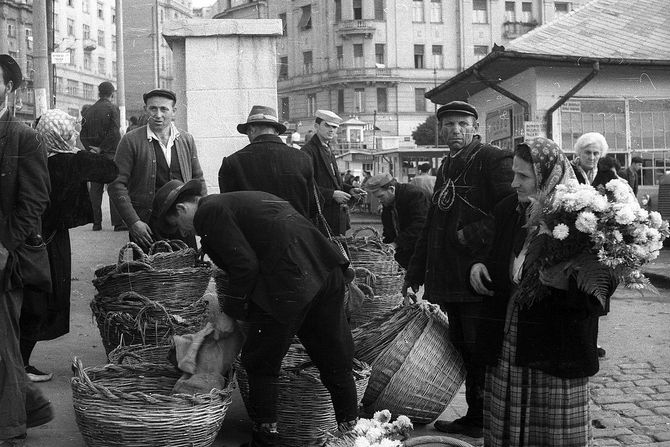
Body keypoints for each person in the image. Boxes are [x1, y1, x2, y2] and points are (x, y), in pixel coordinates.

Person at [153, 182, 359, 447]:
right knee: (334, 356)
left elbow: (245, 266)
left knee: (260, 361)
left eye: (179, 225)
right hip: (325, 271)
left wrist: (230, 313)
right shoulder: (237, 200)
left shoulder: (209, 213)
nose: (184, 231)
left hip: (291, 282)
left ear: (182, 208)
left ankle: (266, 439)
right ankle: (354, 432)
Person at [469, 137, 616, 446]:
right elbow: (493, 248)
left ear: (547, 173)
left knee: (549, 432)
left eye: (523, 176)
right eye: (513, 174)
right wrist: (479, 263)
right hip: (512, 335)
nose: (514, 183)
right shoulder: (510, 208)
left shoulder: (580, 215)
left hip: (555, 345)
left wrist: (568, 285)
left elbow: (604, 282)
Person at [403, 101, 514, 438]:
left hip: (475, 276)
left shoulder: (491, 160)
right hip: (449, 277)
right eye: (448, 124)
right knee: (465, 346)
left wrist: (471, 238)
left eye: (462, 124)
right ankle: (477, 414)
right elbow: (431, 226)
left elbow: (511, 211)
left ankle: (484, 417)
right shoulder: (447, 167)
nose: (455, 131)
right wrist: (414, 275)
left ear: (474, 126)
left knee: (480, 347)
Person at [19, 109, 118, 383]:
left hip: (28, 234)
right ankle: (20, 364)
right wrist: (79, 149)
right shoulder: (72, 160)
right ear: (64, 134)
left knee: (30, 297)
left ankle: (19, 361)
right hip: (51, 239)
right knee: (43, 297)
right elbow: (111, 170)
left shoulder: (31, 156)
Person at [0, 53, 54, 446]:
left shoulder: (22, 137)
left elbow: (35, 201)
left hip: (5, 257)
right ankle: (30, 405)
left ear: (9, 89)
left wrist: (5, 247)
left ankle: (11, 427)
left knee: (2, 343)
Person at [108, 88, 206, 251]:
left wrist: (202, 215)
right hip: (147, 226)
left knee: (187, 272)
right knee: (150, 275)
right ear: (146, 109)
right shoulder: (130, 140)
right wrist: (133, 222)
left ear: (173, 111)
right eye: (153, 108)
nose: (158, 114)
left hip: (183, 223)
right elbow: (116, 184)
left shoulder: (186, 140)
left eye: (164, 109)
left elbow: (198, 179)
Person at [218, 105, 317, 219]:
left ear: (251, 130)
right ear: (276, 132)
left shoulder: (232, 163)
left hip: (252, 235)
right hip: (296, 233)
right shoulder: (303, 158)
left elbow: (228, 210)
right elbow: (313, 206)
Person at [301, 110, 366, 236]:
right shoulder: (308, 151)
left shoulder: (327, 148)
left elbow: (334, 182)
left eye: (334, 127)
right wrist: (331, 195)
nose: (331, 130)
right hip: (320, 218)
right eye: (327, 125)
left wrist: (350, 190)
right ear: (316, 126)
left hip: (335, 217)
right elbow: (305, 185)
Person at [80, 81, 124, 232]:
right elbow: (114, 132)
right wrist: (102, 148)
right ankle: (118, 223)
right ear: (112, 93)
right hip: (109, 154)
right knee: (114, 186)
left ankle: (96, 223)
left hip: (93, 155)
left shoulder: (89, 110)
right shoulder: (113, 108)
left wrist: (91, 149)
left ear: (99, 92)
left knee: (95, 190)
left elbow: (82, 133)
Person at [364, 173, 429, 269]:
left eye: (381, 196)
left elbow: (420, 225)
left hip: (423, 249)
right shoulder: (389, 202)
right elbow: (389, 231)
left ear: (391, 189)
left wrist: (395, 244)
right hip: (404, 249)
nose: (379, 201)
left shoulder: (415, 195)